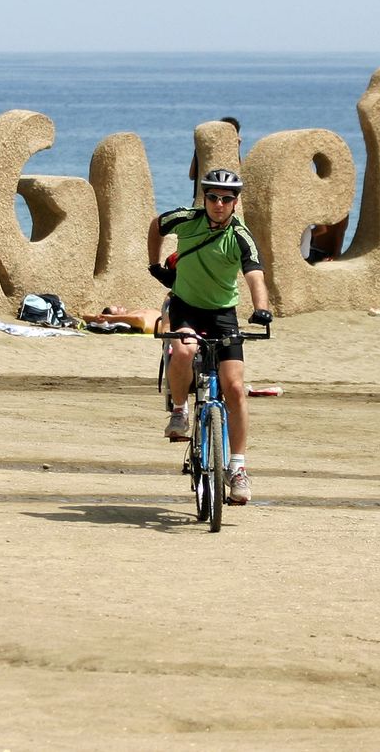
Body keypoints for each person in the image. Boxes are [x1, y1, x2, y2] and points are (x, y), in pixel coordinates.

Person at [148, 168, 272, 504]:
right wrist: (154, 264)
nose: (219, 204)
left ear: (235, 202)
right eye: (213, 197)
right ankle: (178, 411)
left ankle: (238, 468)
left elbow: (255, 275)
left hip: (222, 314)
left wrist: (261, 307)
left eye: (226, 198)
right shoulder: (187, 219)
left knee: (234, 388)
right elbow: (157, 225)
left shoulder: (240, 236)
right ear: (204, 198)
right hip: (185, 306)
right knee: (185, 350)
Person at [188, 116, 241, 199]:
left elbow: (191, 175)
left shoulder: (204, 149)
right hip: (226, 200)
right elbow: (239, 176)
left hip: (202, 198)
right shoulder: (231, 153)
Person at [84, 305, 161, 334]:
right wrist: (111, 319)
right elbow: (139, 320)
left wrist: (96, 318)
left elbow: (85, 316)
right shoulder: (134, 321)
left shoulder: (132, 313)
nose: (120, 307)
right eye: (117, 309)